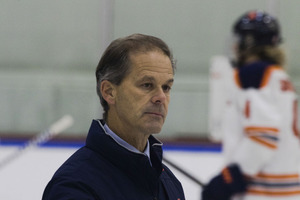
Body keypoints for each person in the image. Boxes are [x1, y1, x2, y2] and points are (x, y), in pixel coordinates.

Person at [42, 33, 185, 200]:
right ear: (109, 92)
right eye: (147, 85)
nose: (160, 97)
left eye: (166, 87)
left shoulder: (169, 183)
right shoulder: (75, 186)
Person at [202, 10, 300, 200]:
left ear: (249, 41)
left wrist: (229, 180)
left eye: (239, 39)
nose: (235, 45)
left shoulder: (253, 75)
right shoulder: (279, 77)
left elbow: (263, 136)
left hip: (262, 193)